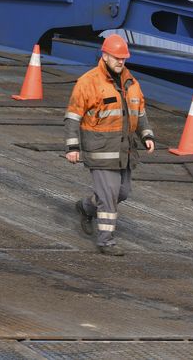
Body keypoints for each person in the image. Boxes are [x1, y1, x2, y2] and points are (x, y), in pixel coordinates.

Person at [64, 34, 155, 256]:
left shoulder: (131, 82)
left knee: (122, 192)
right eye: (116, 58)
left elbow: (139, 112)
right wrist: (73, 148)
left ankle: (86, 207)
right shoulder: (88, 82)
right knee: (109, 196)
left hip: (124, 151)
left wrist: (146, 135)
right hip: (100, 151)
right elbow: (73, 116)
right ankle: (106, 241)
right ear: (104, 56)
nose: (120, 62)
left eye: (123, 58)